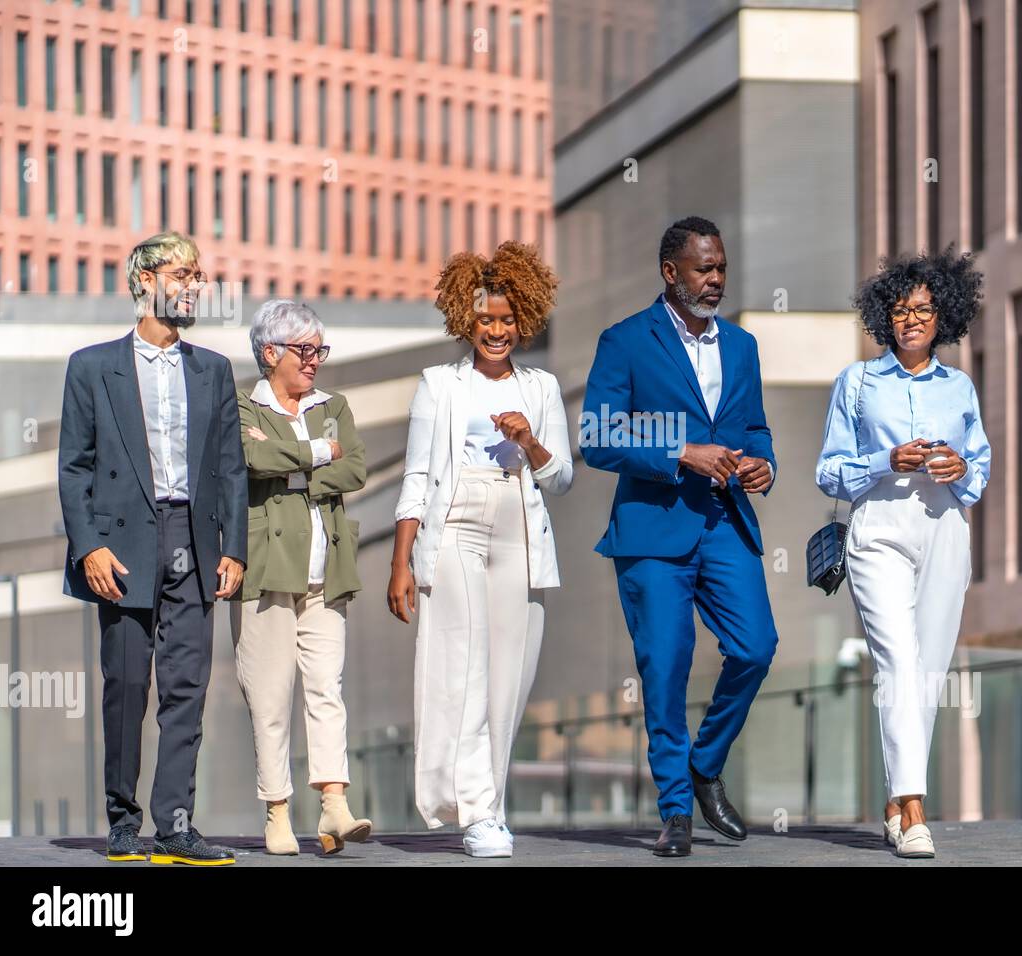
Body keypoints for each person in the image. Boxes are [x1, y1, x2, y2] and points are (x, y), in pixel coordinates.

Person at [581, 216, 779, 858]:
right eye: (703, 268)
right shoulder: (625, 341)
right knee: (664, 668)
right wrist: (679, 451)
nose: (716, 278)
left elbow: (753, 427)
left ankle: (705, 762)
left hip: (725, 522)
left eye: (720, 266)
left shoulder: (743, 345)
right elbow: (598, 437)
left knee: (755, 647)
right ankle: (675, 812)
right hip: (652, 532)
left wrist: (762, 462)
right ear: (671, 272)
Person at [57, 231, 246, 865]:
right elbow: (74, 467)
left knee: (187, 685)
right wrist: (88, 548)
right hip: (122, 543)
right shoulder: (91, 366)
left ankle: (176, 823)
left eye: (198, 274)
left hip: (192, 537)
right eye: (182, 273)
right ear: (145, 281)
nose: (194, 284)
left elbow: (231, 467)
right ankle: (121, 820)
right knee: (127, 683)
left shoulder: (213, 369)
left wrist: (235, 548)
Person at [387, 241, 570, 858]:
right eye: (485, 319)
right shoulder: (439, 384)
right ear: (467, 322)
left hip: (519, 532)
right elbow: (416, 479)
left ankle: (487, 803)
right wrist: (402, 563)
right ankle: (477, 814)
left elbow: (562, 478)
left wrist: (532, 443)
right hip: (457, 528)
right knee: (464, 671)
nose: (496, 330)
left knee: (509, 679)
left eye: (507, 319)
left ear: (526, 318)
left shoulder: (542, 387)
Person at [815, 247, 991, 859]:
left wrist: (960, 466)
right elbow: (828, 473)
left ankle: (894, 802)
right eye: (899, 310)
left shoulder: (960, 387)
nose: (910, 319)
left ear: (943, 315)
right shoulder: (857, 382)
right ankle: (915, 809)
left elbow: (981, 466)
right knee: (896, 660)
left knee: (929, 673)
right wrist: (884, 461)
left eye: (922, 309)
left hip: (944, 528)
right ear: (883, 317)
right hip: (879, 532)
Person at [230, 299, 372, 856]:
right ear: (271, 353)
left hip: (326, 568)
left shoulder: (333, 405)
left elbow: (355, 465)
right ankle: (278, 811)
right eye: (305, 350)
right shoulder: (242, 405)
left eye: (319, 350)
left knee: (326, 689)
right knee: (269, 696)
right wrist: (318, 455)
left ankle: (334, 803)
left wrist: (291, 463)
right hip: (265, 569)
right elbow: (248, 461)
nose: (315, 361)